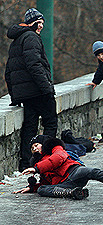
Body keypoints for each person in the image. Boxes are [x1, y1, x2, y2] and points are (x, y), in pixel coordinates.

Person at [4, 8, 58, 172]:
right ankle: (47, 158)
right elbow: (34, 65)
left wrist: (15, 96)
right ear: (32, 23)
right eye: (39, 22)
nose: (41, 26)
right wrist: (47, 88)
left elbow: (9, 72)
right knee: (50, 123)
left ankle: (26, 163)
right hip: (39, 91)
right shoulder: (31, 37)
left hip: (27, 95)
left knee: (30, 127)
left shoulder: (17, 40)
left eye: (42, 22)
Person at [13, 135, 103, 200]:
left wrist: (36, 169)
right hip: (65, 185)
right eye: (32, 148)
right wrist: (32, 188)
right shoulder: (39, 165)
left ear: (43, 144)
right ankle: (75, 193)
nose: (35, 148)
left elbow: (58, 158)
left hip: (74, 171)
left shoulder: (55, 148)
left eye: (37, 145)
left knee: (94, 172)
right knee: (42, 189)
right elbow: (47, 183)